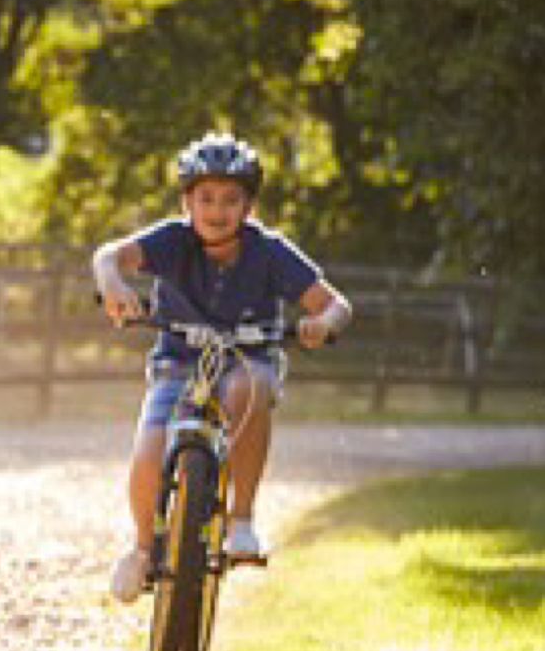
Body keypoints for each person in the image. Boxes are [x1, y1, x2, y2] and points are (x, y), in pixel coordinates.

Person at [91, 132, 352, 603]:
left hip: (248, 359)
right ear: (186, 201)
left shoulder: (270, 251)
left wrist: (322, 323)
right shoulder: (172, 240)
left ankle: (242, 520)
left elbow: (336, 304)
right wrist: (112, 283)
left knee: (247, 388)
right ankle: (143, 549)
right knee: (150, 451)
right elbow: (108, 255)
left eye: (231, 199)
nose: (217, 210)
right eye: (206, 198)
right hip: (178, 362)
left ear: (249, 206)